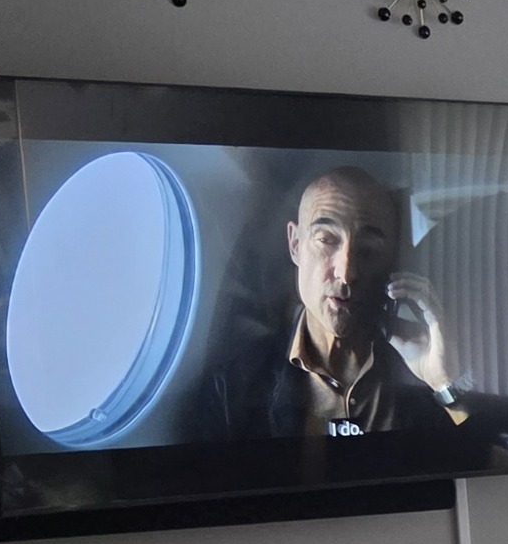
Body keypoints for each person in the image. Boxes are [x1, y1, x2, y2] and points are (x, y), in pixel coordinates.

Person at [199, 166, 466, 443]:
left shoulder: (422, 368)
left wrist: (444, 383)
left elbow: (481, 458)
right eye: (326, 240)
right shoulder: (232, 387)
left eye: (368, 249)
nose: (346, 273)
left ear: (392, 259)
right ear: (295, 244)